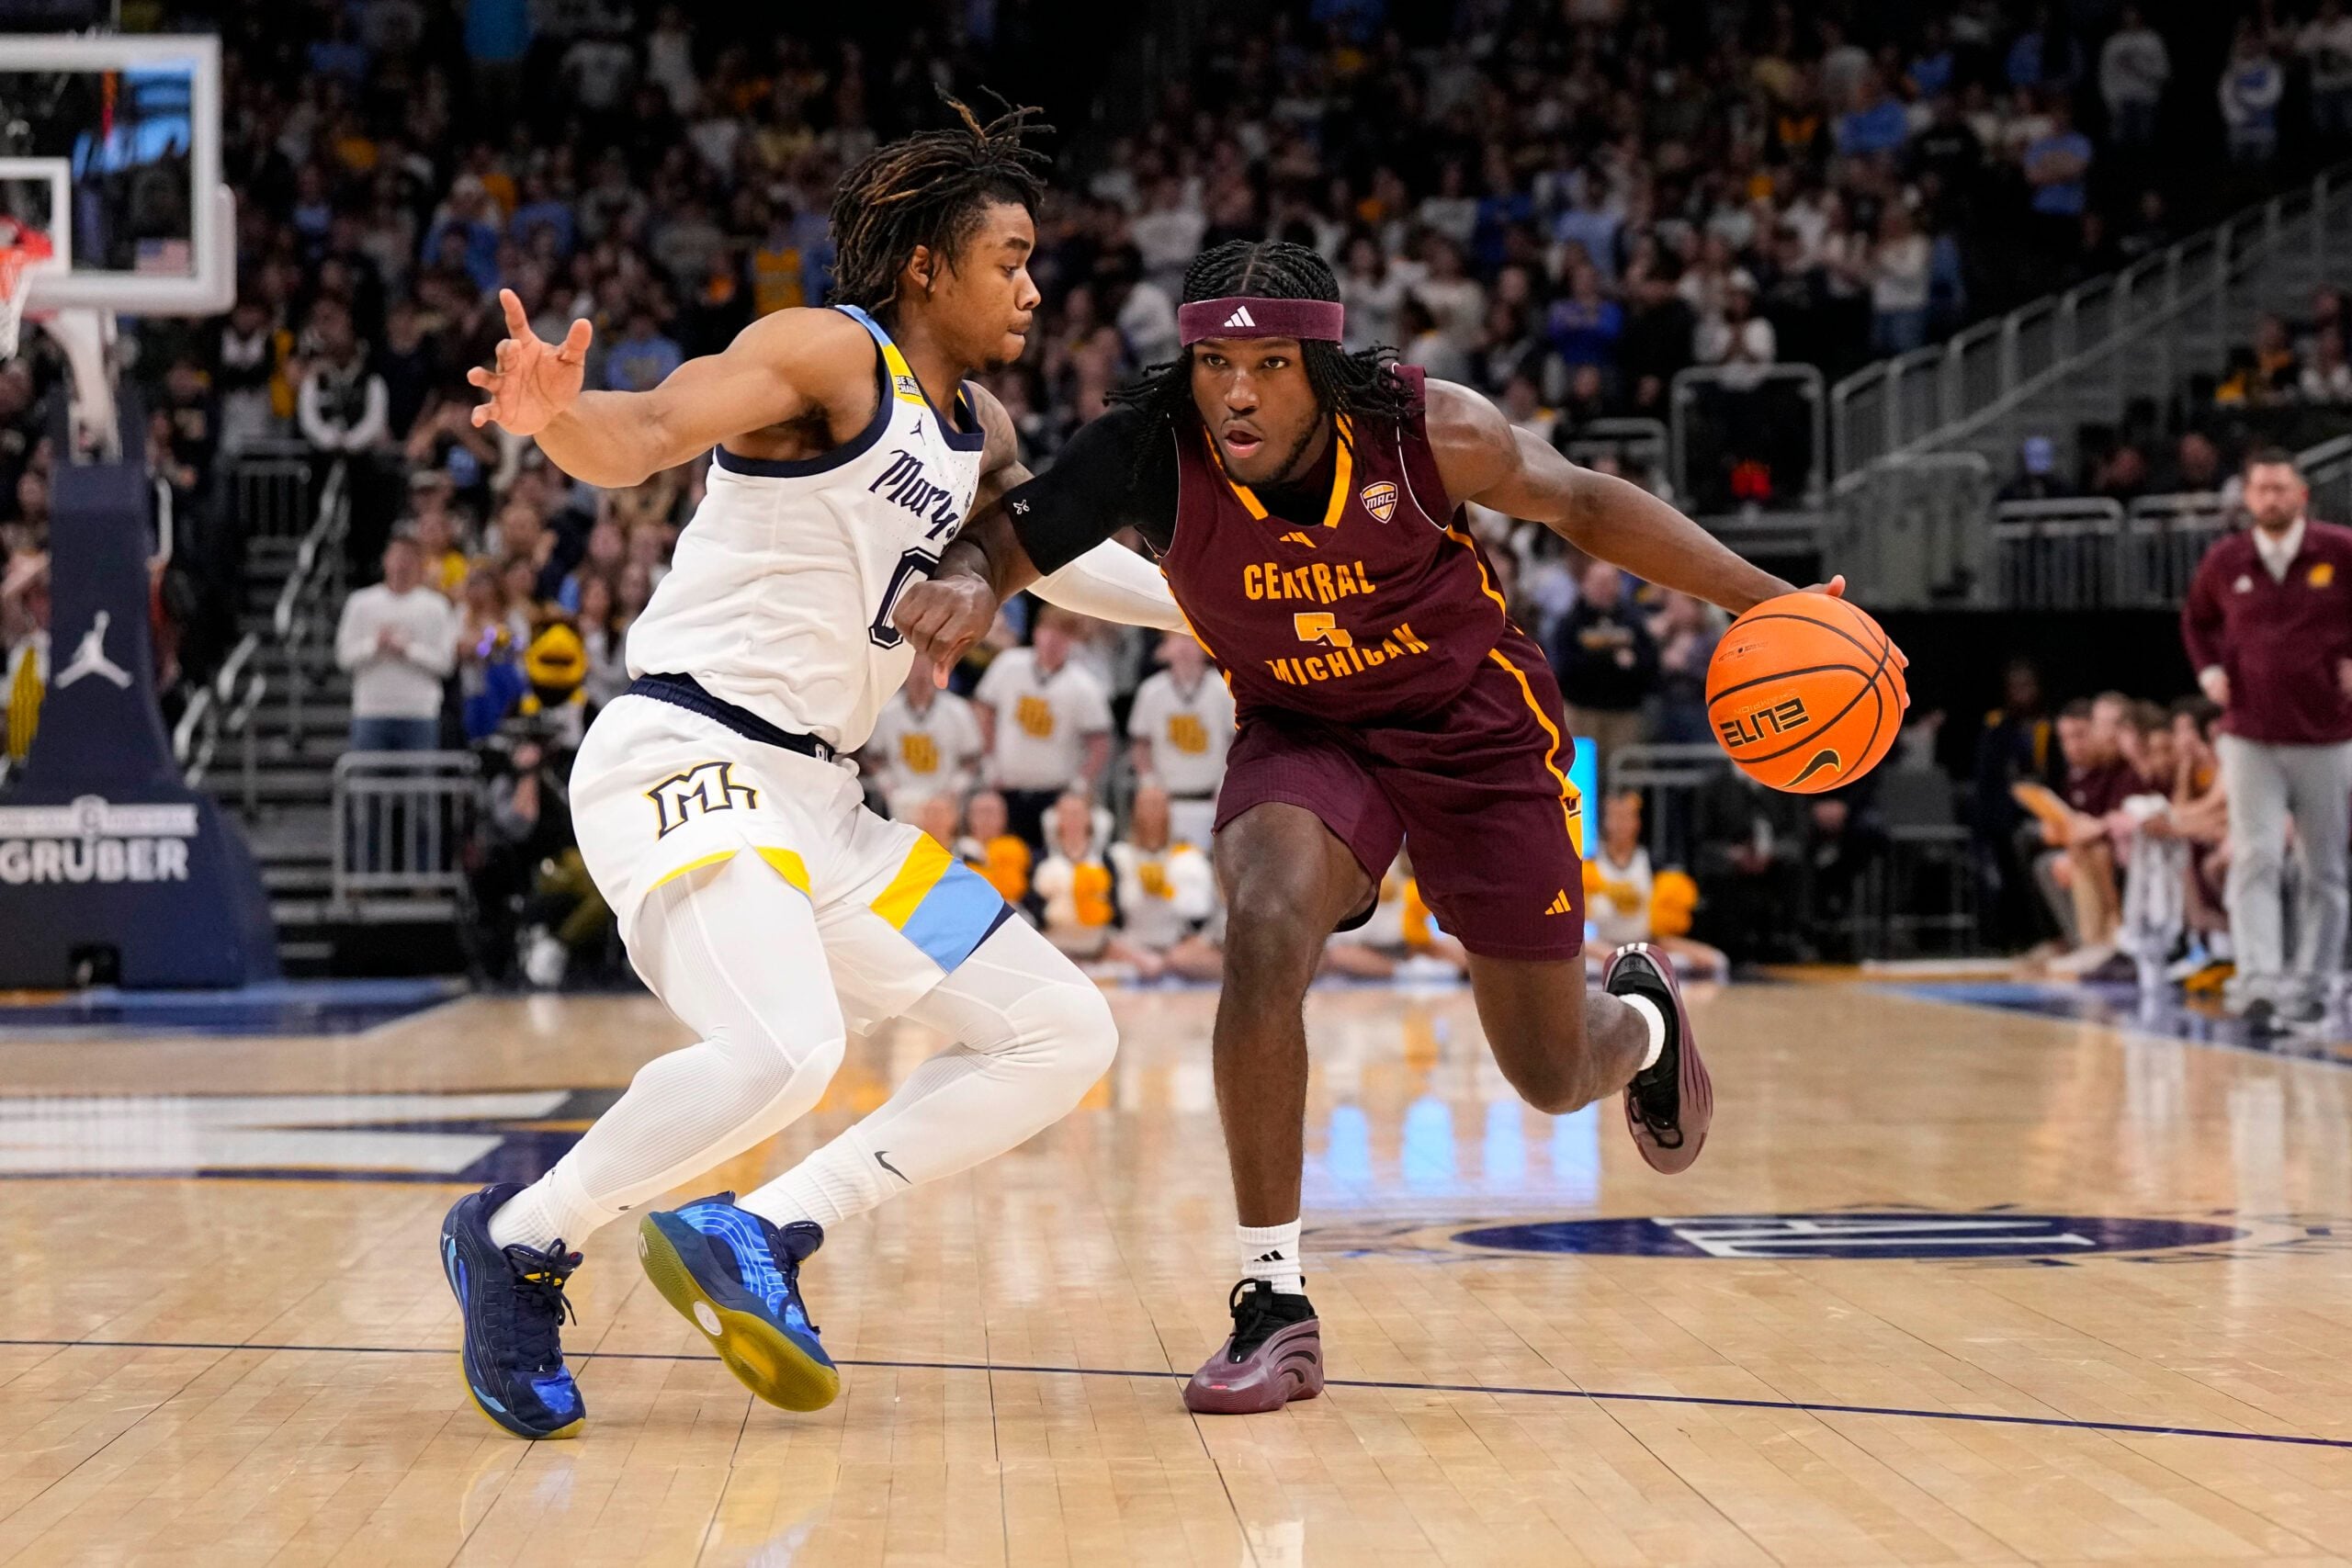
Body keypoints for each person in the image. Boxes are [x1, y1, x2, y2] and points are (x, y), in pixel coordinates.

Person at [891, 238, 1892, 1412]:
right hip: (1304, 730)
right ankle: (1273, 1300)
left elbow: (1579, 501)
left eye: (1268, 363)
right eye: (1215, 363)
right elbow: (1013, 534)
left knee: (1550, 1071)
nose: (1238, 391)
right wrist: (965, 577)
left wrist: (1768, 602)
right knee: (1261, 929)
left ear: (1322, 369)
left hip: (1470, 726)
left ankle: (1641, 1025)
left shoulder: (1431, 433)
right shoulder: (1149, 453)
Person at [439, 99, 1191, 1440]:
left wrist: (1211, 616)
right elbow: (655, 424)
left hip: (827, 808)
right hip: (691, 750)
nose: (1031, 285)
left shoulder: (981, 432)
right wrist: (559, 420)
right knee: (787, 1047)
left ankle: (773, 1227)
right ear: (926, 266)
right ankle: (520, 1236)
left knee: (1063, 1028)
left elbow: (1056, 555)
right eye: (1008, 258)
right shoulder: (828, 353)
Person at [2181, 448, 2352, 1026]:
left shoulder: (2339, 550)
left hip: (2327, 733)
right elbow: (2196, 620)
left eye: (2282, 488)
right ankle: (2258, 982)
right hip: (2249, 733)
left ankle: (2314, 983)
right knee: (2256, 855)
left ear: (2301, 495)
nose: (2272, 498)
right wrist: (2208, 671)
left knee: (2322, 866)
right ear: (2247, 498)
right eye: (2261, 489)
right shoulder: (2227, 559)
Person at [972, 606, 1113, 846]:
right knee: (1004, 856)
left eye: (1060, 636)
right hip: (1006, 786)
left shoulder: (1083, 684)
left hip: (1055, 792)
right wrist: (988, 760)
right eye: (1046, 632)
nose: (1051, 642)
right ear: (1036, 633)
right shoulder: (1009, 665)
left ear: (1072, 642)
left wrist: (1081, 781)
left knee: (1048, 861)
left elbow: (1100, 740)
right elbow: (984, 710)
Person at [334, 536, 457, 750]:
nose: (402, 564)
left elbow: (446, 664)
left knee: (419, 783)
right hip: (371, 711)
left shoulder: (436, 606)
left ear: (420, 563)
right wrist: (375, 645)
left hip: (420, 712)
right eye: (397, 557)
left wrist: (408, 650)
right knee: (367, 782)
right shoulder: (361, 603)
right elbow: (344, 658)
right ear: (385, 560)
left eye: (409, 558)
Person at [1125, 631, 1236, 848]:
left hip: (1212, 799)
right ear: (1164, 649)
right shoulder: (1151, 691)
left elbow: (1235, 742)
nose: (1184, 648)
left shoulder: (1223, 690)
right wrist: (1149, 784)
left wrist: (1226, 783)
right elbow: (1140, 745)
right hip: (1166, 800)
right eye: (1176, 640)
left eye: (1190, 640)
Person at [1106, 781, 1224, 981]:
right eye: (1146, 805)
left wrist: (1170, 892)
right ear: (1134, 811)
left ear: (1169, 811)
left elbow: (1202, 922)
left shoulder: (1188, 858)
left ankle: (1164, 964)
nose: (1152, 812)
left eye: (1158, 805)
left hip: (1178, 947)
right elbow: (1108, 921)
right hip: (1131, 943)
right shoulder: (1118, 857)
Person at [862, 661, 986, 819]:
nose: (920, 674)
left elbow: (972, 757)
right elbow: (873, 756)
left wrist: (956, 788)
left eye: (926, 668)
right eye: (914, 668)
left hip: (944, 798)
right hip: (902, 799)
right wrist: (887, 784)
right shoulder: (887, 711)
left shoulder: (958, 710)